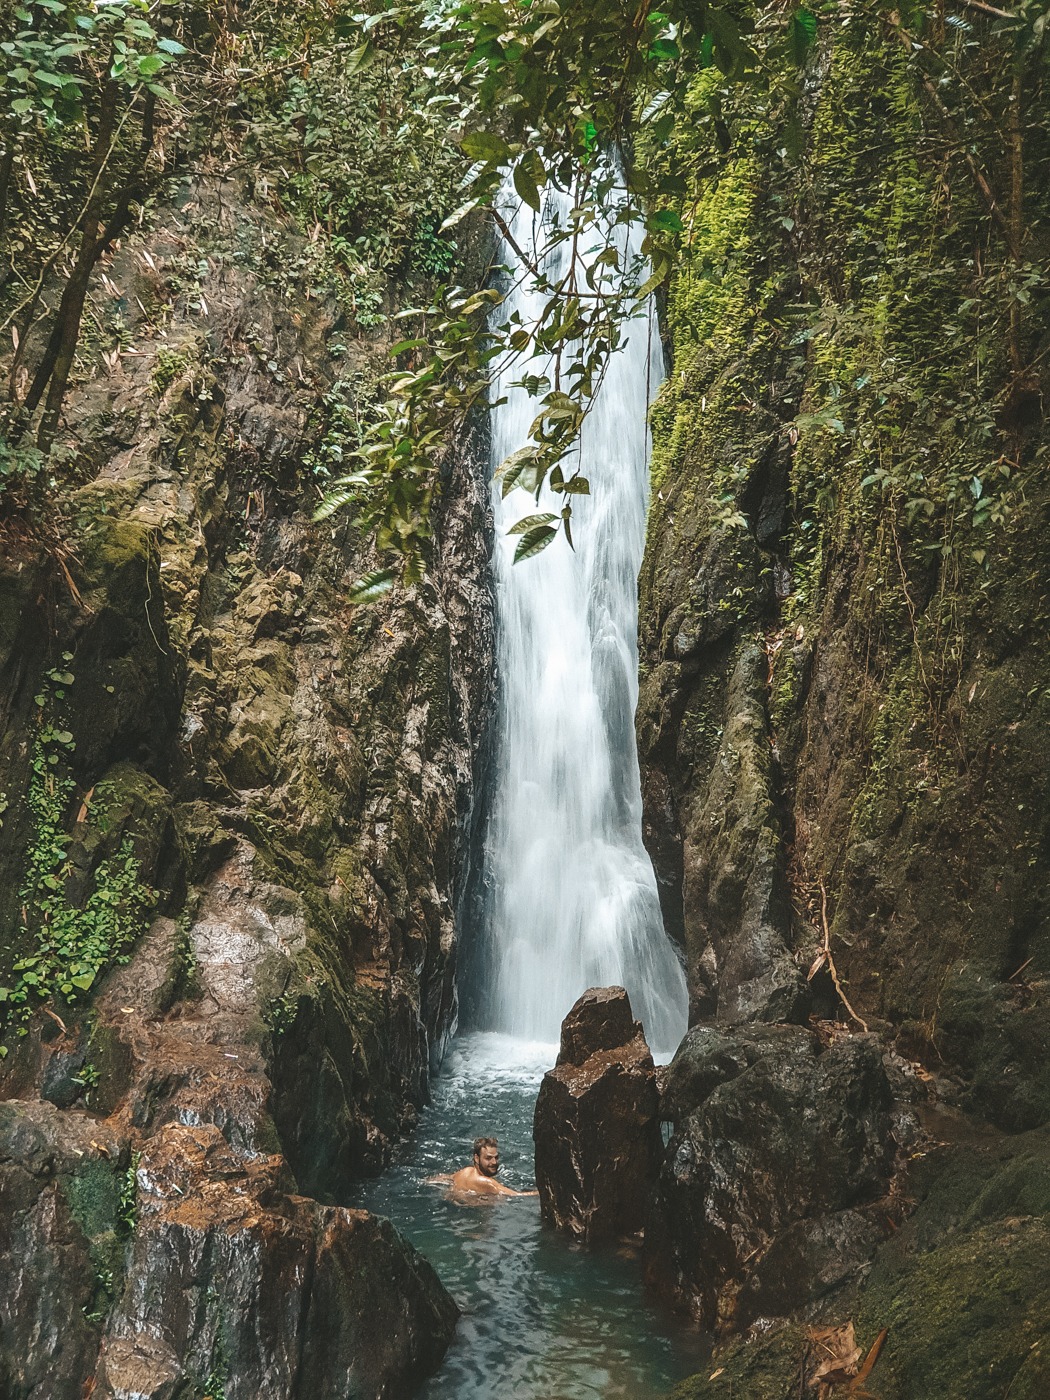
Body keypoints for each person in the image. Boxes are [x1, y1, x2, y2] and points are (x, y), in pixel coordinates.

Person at [447, 1136, 538, 1198]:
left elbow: (443, 1179)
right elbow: (516, 1195)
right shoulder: (487, 1183)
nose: (494, 1162)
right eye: (488, 1158)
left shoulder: (465, 1171)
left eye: (496, 1157)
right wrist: (539, 1193)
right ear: (476, 1158)